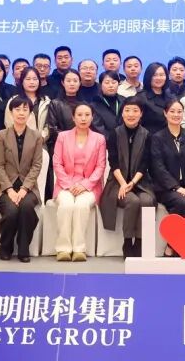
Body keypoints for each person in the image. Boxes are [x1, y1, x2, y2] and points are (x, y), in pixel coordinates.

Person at [100, 96, 156, 257]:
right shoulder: (115, 133)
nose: (131, 114)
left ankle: (139, 241)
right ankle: (127, 241)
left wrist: (132, 182)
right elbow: (113, 162)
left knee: (146, 200)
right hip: (117, 182)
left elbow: (145, 163)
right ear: (122, 113)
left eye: (135, 111)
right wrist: (124, 184)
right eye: (127, 110)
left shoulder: (147, 135)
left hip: (141, 182)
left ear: (141, 114)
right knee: (132, 200)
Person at [52, 104, 107, 262]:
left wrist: (85, 185)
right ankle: (63, 248)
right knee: (67, 205)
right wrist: (69, 185)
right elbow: (57, 163)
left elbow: (100, 166)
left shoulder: (99, 139)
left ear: (92, 117)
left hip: (90, 186)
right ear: (73, 117)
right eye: (80, 115)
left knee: (81, 205)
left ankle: (79, 249)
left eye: (87, 115)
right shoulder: (63, 137)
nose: (83, 118)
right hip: (65, 184)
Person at [0, 96, 44, 262]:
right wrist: (9, 190)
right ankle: (5, 246)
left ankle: (23, 248)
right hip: (4, 187)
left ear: (30, 113)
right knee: (11, 211)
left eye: (25, 109)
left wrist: (24, 189)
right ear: (11, 112)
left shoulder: (36, 136)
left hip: (28, 187)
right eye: (17, 109)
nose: (21, 113)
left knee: (27, 207)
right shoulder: (1, 135)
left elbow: (36, 165)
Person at [150, 99, 185, 256]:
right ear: (165, 113)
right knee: (181, 202)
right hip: (167, 187)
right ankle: (173, 245)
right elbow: (158, 167)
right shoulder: (157, 137)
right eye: (172, 111)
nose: (176, 114)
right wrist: (177, 188)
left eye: (179, 111)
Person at [6, 66, 50, 140]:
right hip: (18, 142)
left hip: (41, 142)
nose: (32, 82)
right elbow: (9, 122)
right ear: (22, 81)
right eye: (28, 79)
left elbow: (49, 124)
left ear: (39, 81)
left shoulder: (46, 101)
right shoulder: (14, 100)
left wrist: (41, 138)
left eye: (35, 79)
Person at [48, 69, 87, 137]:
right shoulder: (55, 104)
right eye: (68, 81)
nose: (72, 84)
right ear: (63, 83)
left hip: (82, 140)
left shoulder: (85, 105)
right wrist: (68, 138)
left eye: (75, 81)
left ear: (80, 83)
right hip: (62, 140)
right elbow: (52, 128)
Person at [90, 70, 125, 140]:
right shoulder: (94, 104)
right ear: (100, 85)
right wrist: (112, 140)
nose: (111, 85)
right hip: (104, 141)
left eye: (114, 82)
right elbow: (98, 127)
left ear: (118, 84)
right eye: (107, 83)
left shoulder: (124, 101)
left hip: (125, 140)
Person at [140, 62, 171, 134]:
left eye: (162, 75)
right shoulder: (141, 98)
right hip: (148, 138)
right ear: (148, 77)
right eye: (155, 75)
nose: (159, 78)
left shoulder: (171, 97)